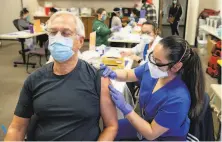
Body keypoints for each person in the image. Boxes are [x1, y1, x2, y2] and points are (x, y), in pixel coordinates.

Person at [5, 11, 118, 141]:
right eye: (53, 32)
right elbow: (17, 128)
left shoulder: (98, 78)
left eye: (66, 33)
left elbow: (111, 126)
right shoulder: (34, 79)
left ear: (80, 41)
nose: (58, 38)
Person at [101, 36, 205, 141]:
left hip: (163, 136)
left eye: (157, 61)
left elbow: (151, 133)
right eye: (152, 56)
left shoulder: (179, 99)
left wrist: (125, 108)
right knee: (110, 129)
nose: (151, 63)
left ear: (176, 67)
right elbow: (129, 74)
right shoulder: (154, 69)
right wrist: (113, 73)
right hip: (147, 123)